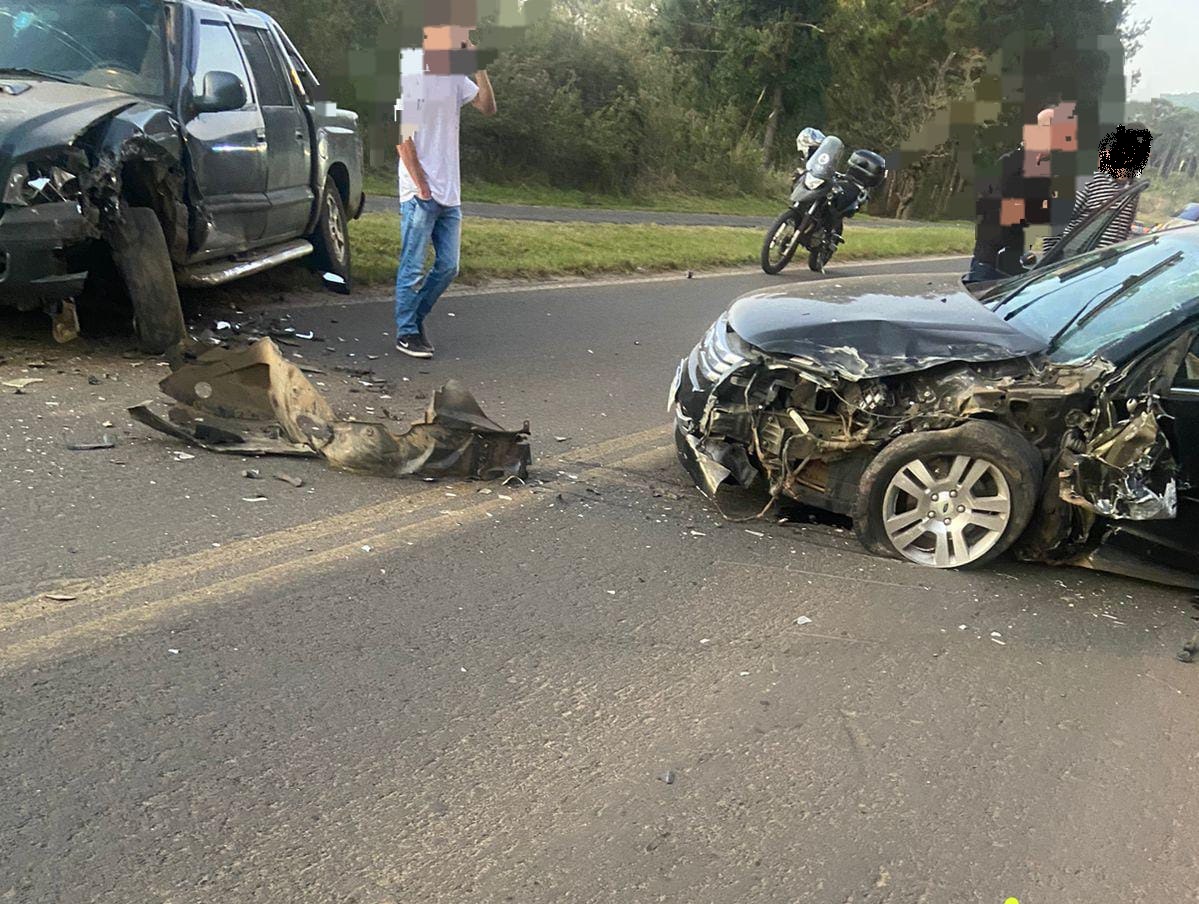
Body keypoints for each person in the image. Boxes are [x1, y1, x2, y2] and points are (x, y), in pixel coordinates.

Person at [394, 21, 497, 359]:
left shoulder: (455, 78)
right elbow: (401, 139)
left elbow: (487, 106)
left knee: (449, 266)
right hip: (420, 193)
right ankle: (406, 332)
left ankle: (414, 319)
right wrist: (421, 186)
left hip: (450, 192)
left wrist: (478, 66)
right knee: (412, 266)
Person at [1042, 123, 1153, 252]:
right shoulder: (1087, 180)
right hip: (1073, 264)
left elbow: (1123, 232)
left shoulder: (1133, 189)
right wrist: (1051, 263)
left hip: (1103, 266)